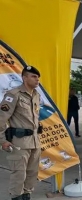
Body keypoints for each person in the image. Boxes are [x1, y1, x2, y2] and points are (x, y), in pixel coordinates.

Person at [0, 66, 42, 200]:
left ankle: (26, 195)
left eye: (38, 77)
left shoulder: (36, 95)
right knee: (19, 174)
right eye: (33, 77)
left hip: (34, 142)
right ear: (24, 78)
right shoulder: (13, 95)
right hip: (19, 143)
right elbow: (1, 119)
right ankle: (16, 197)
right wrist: (3, 141)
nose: (37, 80)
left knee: (31, 174)